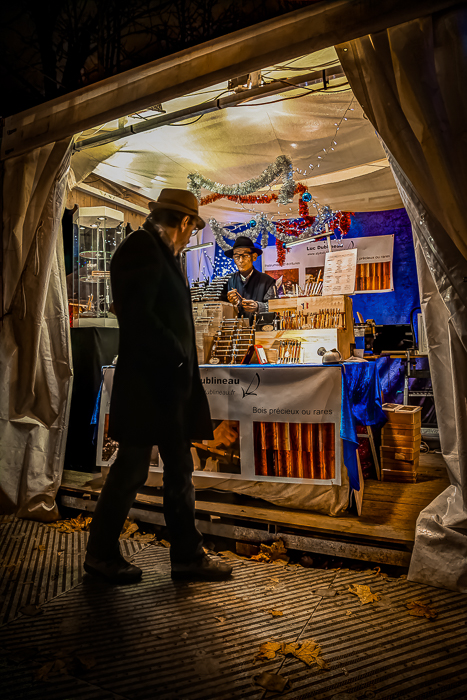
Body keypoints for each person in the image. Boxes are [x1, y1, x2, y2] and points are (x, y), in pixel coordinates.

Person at [84, 188, 233, 584]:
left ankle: (186, 555)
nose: (189, 236)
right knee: (131, 470)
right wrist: (178, 354)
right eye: (191, 228)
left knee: (178, 469)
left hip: (165, 387)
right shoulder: (141, 248)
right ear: (184, 222)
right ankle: (102, 555)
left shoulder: (159, 250)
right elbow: (139, 317)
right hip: (152, 384)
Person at [220, 236, 277, 322]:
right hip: (233, 332)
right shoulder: (227, 281)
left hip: (260, 331)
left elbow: (275, 307)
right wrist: (230, 304)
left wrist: (258, 307)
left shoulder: (267, 281)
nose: (241, 260)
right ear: (234, 260)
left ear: (254, 257)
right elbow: (218, 310)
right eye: (236, 257)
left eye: (245, 256)